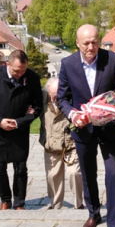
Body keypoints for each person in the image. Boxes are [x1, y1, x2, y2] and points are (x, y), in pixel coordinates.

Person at [57, 24, 115, 227]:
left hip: (110, 128)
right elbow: (62, 98)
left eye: (95, 42)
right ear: (77, 43)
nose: (91, 46)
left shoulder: (111, 60)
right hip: (83, 129)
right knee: (88, 174)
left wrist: (110, 109)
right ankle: (94, 212)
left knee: (113, 174)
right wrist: (72, 115)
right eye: (86, 42)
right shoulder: (67, 64)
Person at [0, 50, 42, 210]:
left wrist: (20, 122)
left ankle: (19, 202)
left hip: (19, 131)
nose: (20, 74)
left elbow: (37, 106)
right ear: (7, 64)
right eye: (16, 71)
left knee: (20, 169)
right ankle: (5, 199)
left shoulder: (32, 78)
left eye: (23, 70)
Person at [39, 77, 84, 210]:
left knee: (74, 173)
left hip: (71, 144)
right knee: (53, 176)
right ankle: (56, 205)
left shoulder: (73, 98)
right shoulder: (41, 97)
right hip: (51, 144)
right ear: (48, 91)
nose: (57, 98)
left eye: (60, 95)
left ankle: (79, 204)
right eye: (54, 96)